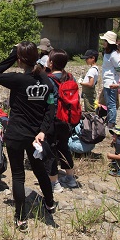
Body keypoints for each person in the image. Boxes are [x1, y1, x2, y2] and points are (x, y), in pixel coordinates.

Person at [0, 41, 56, 231]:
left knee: (18, 175)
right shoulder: (45, 80)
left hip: (16, 133)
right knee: (39, 169)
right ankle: (49, 204)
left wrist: (12, 54)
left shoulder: (18, 80)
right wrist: (43, 130)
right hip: (36, 135)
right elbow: (51, 107)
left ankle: (21, 218)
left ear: (19, 60)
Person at [46, 49, 78, 191]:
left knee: (51, 150)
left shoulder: (48, 79)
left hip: (52, 120)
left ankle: (55, 183)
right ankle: (71, 179)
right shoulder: (70, 77)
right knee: (64, 147)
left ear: (51, 63)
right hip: (67, 120)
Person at [100, 31, 120, 129]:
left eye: (105, 41)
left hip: (111, 82)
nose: (103, 42)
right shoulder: (107, 53)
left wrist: (116, 79)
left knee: (112, 104)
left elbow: (119, 68)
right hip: (106, 81)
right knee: (108, 103)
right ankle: (109, 119)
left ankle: (111, 123)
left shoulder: (114, 54)